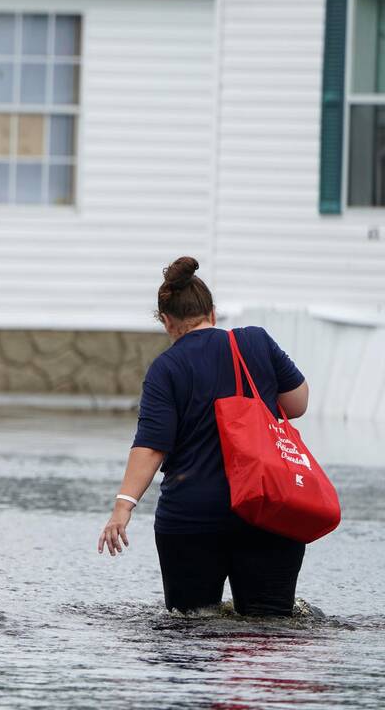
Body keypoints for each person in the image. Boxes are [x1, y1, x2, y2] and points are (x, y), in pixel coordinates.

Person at [97, 257, 311, 616]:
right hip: (267, 510)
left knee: (191, 628)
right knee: (271, 630)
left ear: (167, 321)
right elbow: (298, 403)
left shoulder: (166, 368)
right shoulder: (255, 341)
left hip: (192, 518)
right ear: (212, 312)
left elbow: (151, 447)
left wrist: (122, 508)